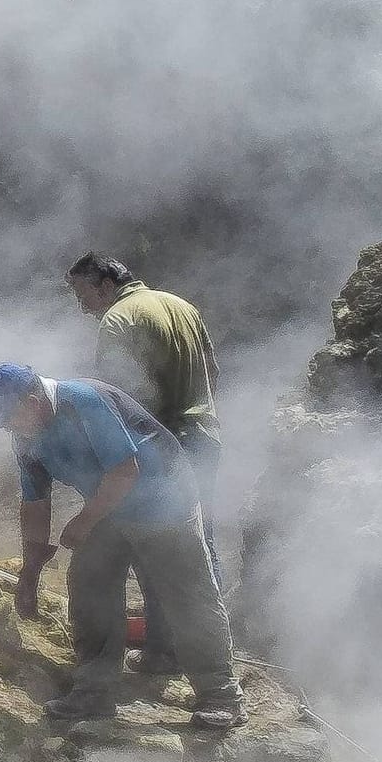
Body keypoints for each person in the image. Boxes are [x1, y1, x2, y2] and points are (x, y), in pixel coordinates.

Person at [0, 362, 246, 728]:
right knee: (89, 586)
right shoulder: (27, 437)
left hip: (163, 499)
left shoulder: (85, 401)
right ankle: (93, 691)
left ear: (33, 401)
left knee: (186, 593)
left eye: (11, 418)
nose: (10, 428)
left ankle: (221, 695)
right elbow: (35, 505)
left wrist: (83, 522)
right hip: (107, 504)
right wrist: (29, 574)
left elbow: (126, 471)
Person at [65, 253, 224, 674]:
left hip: (161, 448)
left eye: (82, 294)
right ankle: (206, 650)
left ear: (104, 284)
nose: (83, 306)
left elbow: (119, 398)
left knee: (156, 547)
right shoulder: (181, 306)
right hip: (204, 437)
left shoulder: (118, 320)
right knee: (200, 547)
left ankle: (163, 652)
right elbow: (213, 370)